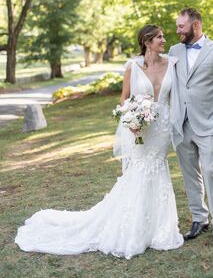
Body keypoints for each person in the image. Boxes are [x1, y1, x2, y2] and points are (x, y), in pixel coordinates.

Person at [15, 25, 183, 259]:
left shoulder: (172, 64)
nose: (164, 40)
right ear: (146, 41)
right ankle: (134, 227)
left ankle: (160, 228)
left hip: (162, 127)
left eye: (163, 36)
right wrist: (132, 121)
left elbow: (175, 97)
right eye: (159, 37)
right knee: (140, 171)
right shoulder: (133, 67)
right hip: (141, 128)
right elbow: (124, 99)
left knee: (157, 169)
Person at [169, 8, 213, 247]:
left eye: (181, 27)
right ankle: (199, 218)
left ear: (195, 26)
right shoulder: (174, 51)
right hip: (182, 124)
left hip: (210, 123)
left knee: (210, 172)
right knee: (190, 175)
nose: (177, 31)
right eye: (177, 26)